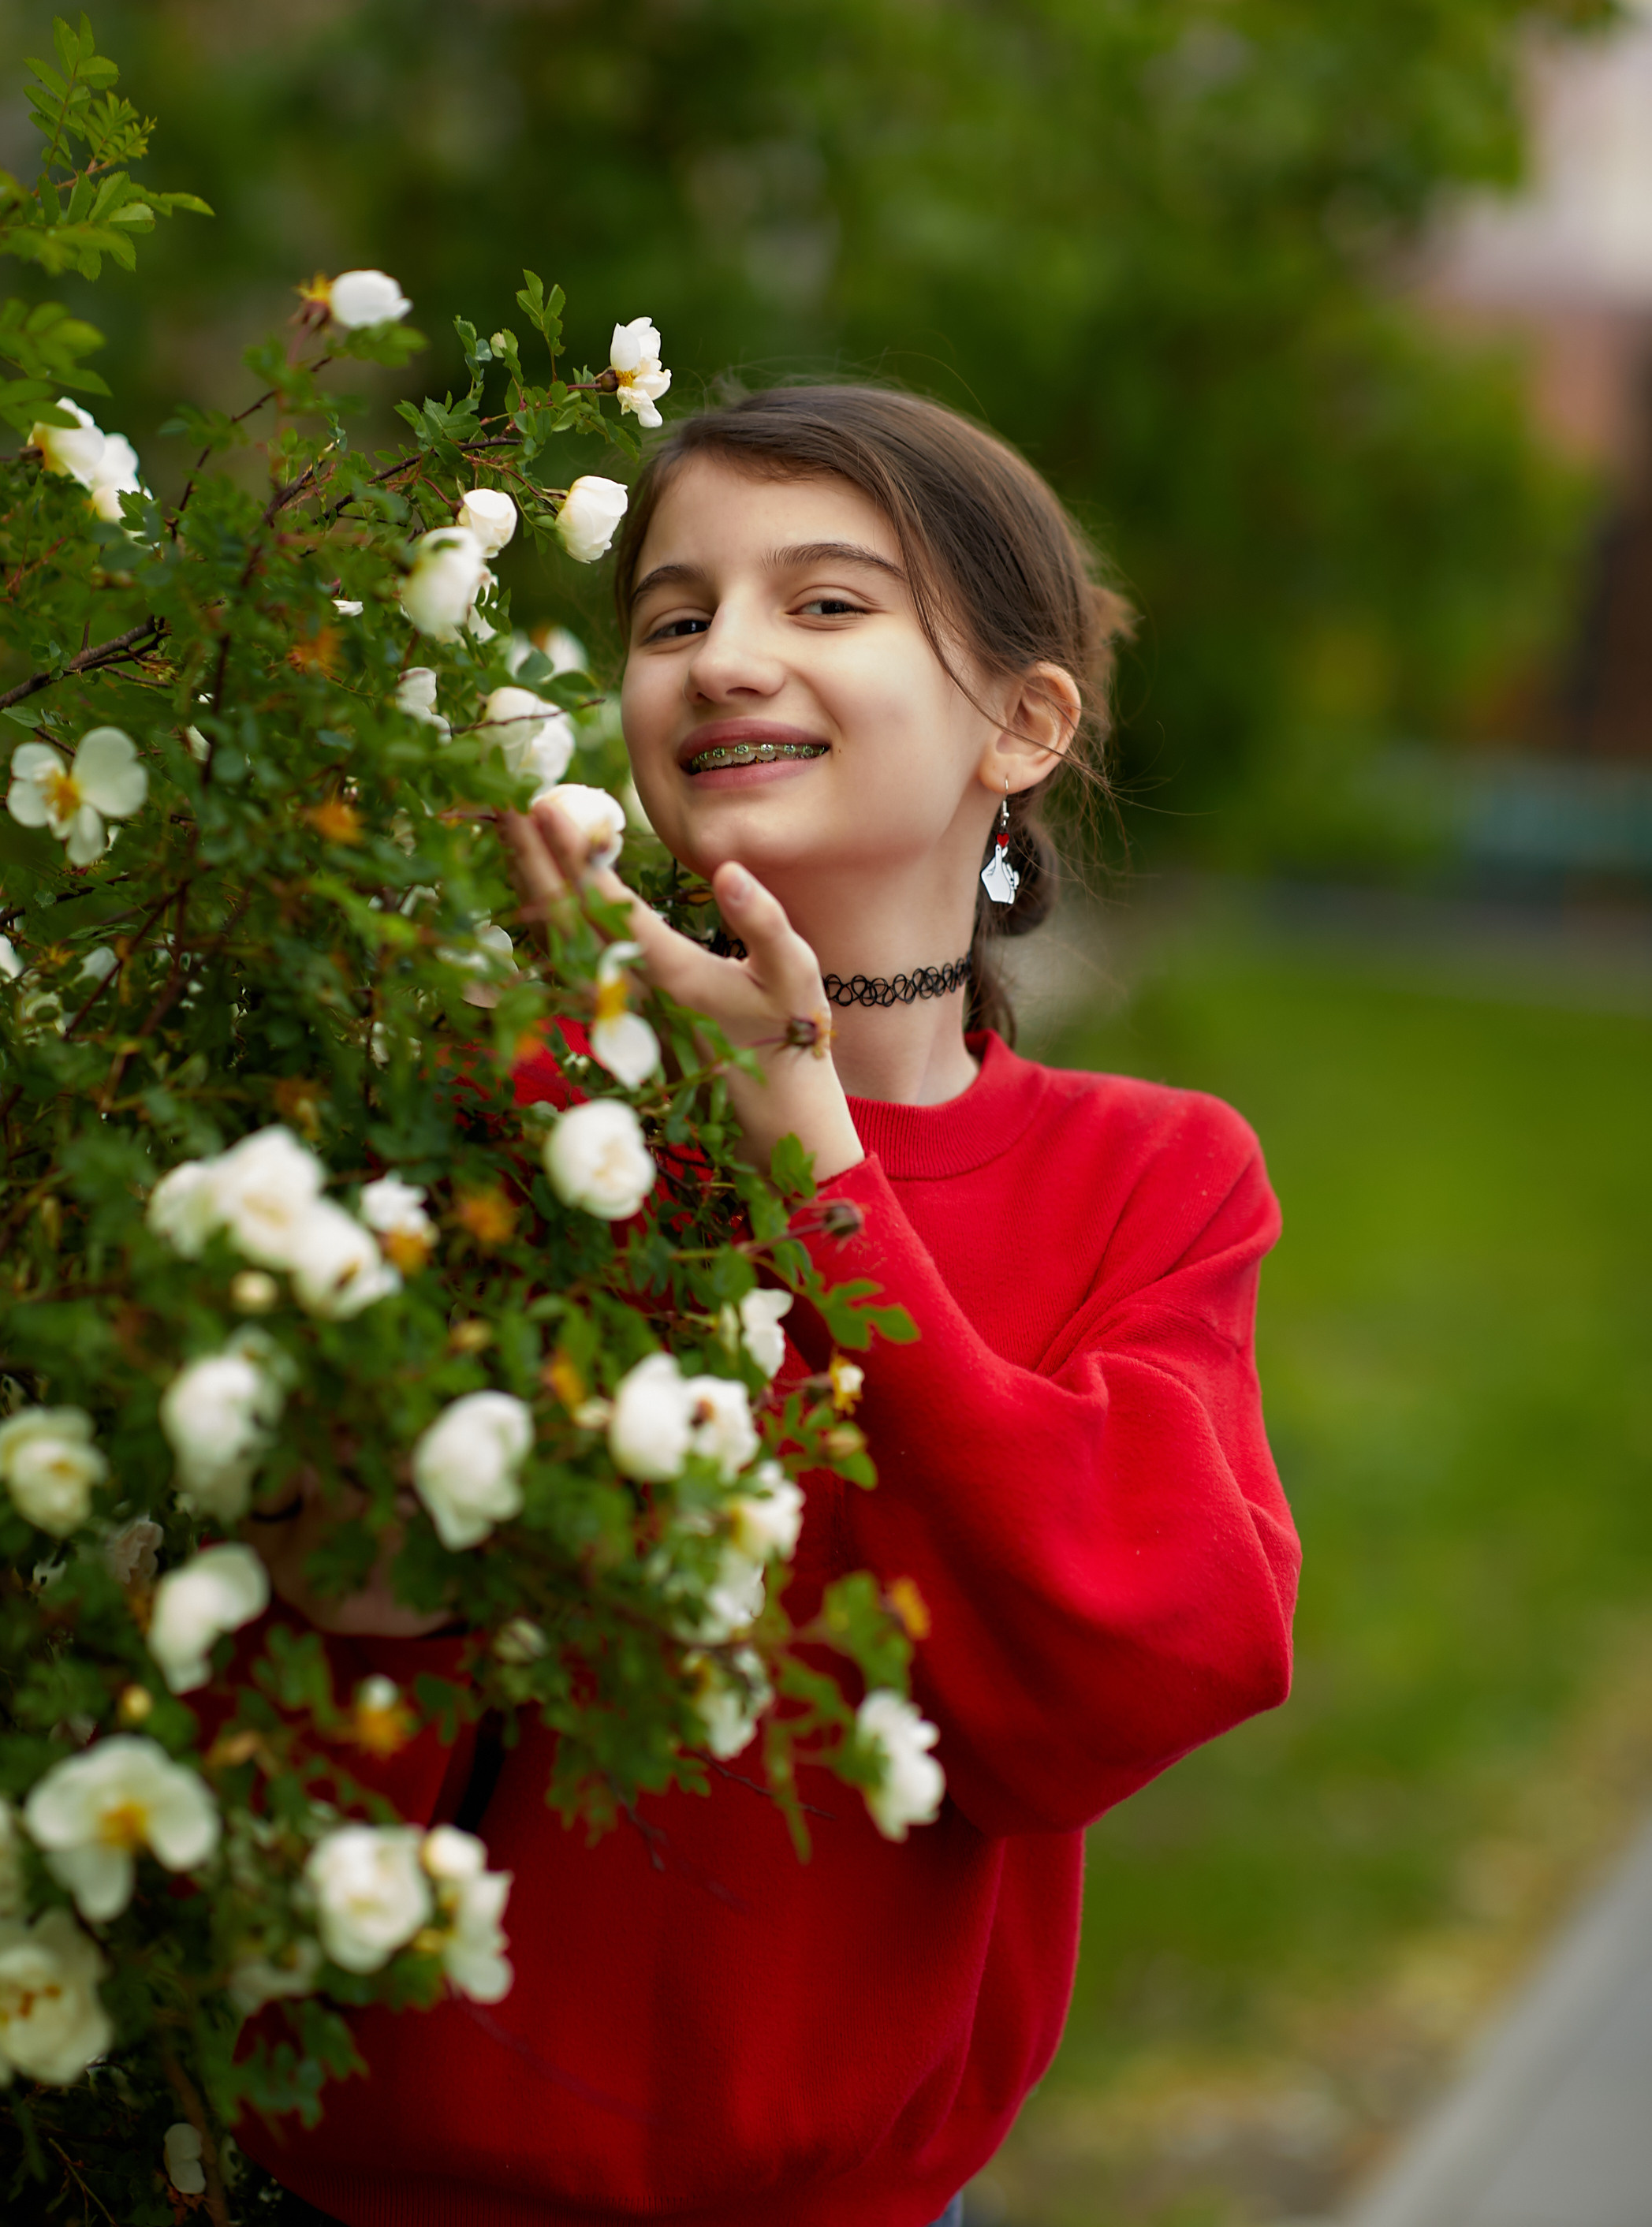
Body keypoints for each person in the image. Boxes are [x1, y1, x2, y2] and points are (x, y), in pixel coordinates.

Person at [241, 385, 1300, 2227]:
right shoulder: (501, 1097)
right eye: (672, 614)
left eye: (825, 602)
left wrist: (813, 1160)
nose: (726, 657)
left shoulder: (1151, 1174)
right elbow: (310, 1634)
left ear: (1023, 722)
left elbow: (1136, 1654)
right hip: (371, 2182)